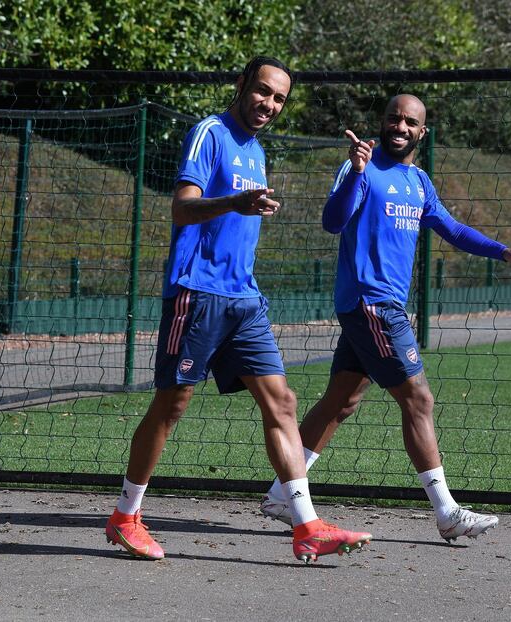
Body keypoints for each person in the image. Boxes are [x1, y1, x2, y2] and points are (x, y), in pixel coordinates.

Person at [104, 56, 371, 564]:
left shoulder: (256, 149)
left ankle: (307, 526)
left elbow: (240, 210)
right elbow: (182, 207)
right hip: (197, 292)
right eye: (263, 91)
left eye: (279, 99)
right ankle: (125, 517)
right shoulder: (210, 133)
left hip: (244, 300)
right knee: (172, 405)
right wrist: (235, 203)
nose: (269, 104)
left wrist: (250, 206)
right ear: (242, 85)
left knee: (283, 403)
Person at [260, 94, 511, 543]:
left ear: (421, 132)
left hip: (375, 307)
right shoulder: (361, 167)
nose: (401, 126)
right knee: (419, 399)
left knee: (342, 401)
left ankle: (279, 494)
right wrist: (355, 171)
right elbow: (333, 222)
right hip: (372, 304)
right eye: (394, 118)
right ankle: (447, 511)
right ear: (382, 122)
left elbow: (451, 228)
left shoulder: (418, 180)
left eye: (411, 122)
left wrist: (501, 251)